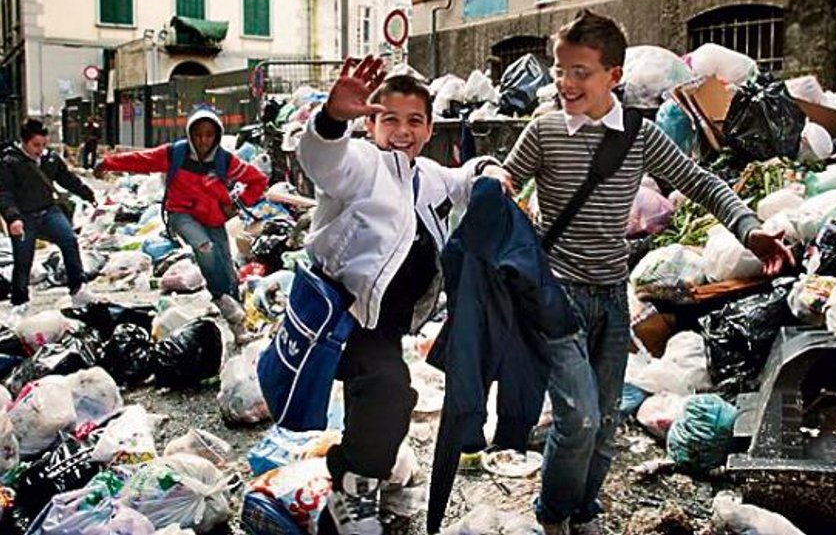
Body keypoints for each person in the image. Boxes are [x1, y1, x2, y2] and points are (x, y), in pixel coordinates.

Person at [481, 10, 794, 535]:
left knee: (604, 424)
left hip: (611, 298)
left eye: (580, 71)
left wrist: (749, 229)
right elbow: (503, 173)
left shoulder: (638, 136)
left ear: (614, 76)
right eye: (560, 70)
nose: (565, 82)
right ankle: (553, 516)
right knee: (578, 417)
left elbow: (703, 184)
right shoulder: (545, 130)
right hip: (556, 299)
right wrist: (493, 178)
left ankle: (583, 511)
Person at [296, 59, 497, 535]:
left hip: (385, 322)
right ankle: (348, 496)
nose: (402, 131)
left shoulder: (426, 174)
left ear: (429, 128)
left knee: (383, 397)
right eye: (389, 119)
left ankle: (375, 463)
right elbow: (323, 161)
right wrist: (330, 121)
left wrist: (489, 170)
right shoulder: (362, 166)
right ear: (371, 124)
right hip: (341, 315)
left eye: (414, 121)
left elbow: (464, 179)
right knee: (390, 391)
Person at [94, 107, 268, 332]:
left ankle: (236, 317)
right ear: (189, 134)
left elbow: (258, 180)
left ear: (216, 135)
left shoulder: (225, 161)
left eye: (209, 134)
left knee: (226, 267)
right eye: (197, 134)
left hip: (214, 218)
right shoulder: (175, 154)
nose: (203, 140)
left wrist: (236, 205)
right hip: (181, 214)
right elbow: (141, 160)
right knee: (204, 247)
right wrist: (108, 163)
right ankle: (221, 298)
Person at [0, 118, 98, 318]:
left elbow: (67, 179)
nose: (40, 150)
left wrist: (87, 194)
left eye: (44, 145)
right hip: (23, 216)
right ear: (24, 142)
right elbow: (4, 193)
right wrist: (12, 218)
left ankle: (78, 289)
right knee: (23, 258)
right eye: (36, 145)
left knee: (69, 240)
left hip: (48, 211)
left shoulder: (50, 159)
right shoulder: (10, 162)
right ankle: (20, 301)